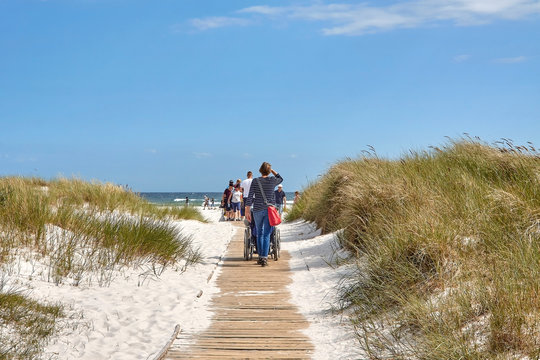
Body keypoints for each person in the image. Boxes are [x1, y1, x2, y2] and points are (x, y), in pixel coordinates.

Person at [245, 162, 283, 267]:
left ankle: (261, 257)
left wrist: (247, 210)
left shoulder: (255, 181)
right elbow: (280, 178)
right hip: (269, 210)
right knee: (266, 233)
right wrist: (273, 172)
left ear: (260, 170)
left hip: (257, 209)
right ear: (269, 171)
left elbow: (250, 196)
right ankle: (264, 258)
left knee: (259, 233)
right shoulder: (273, 180)